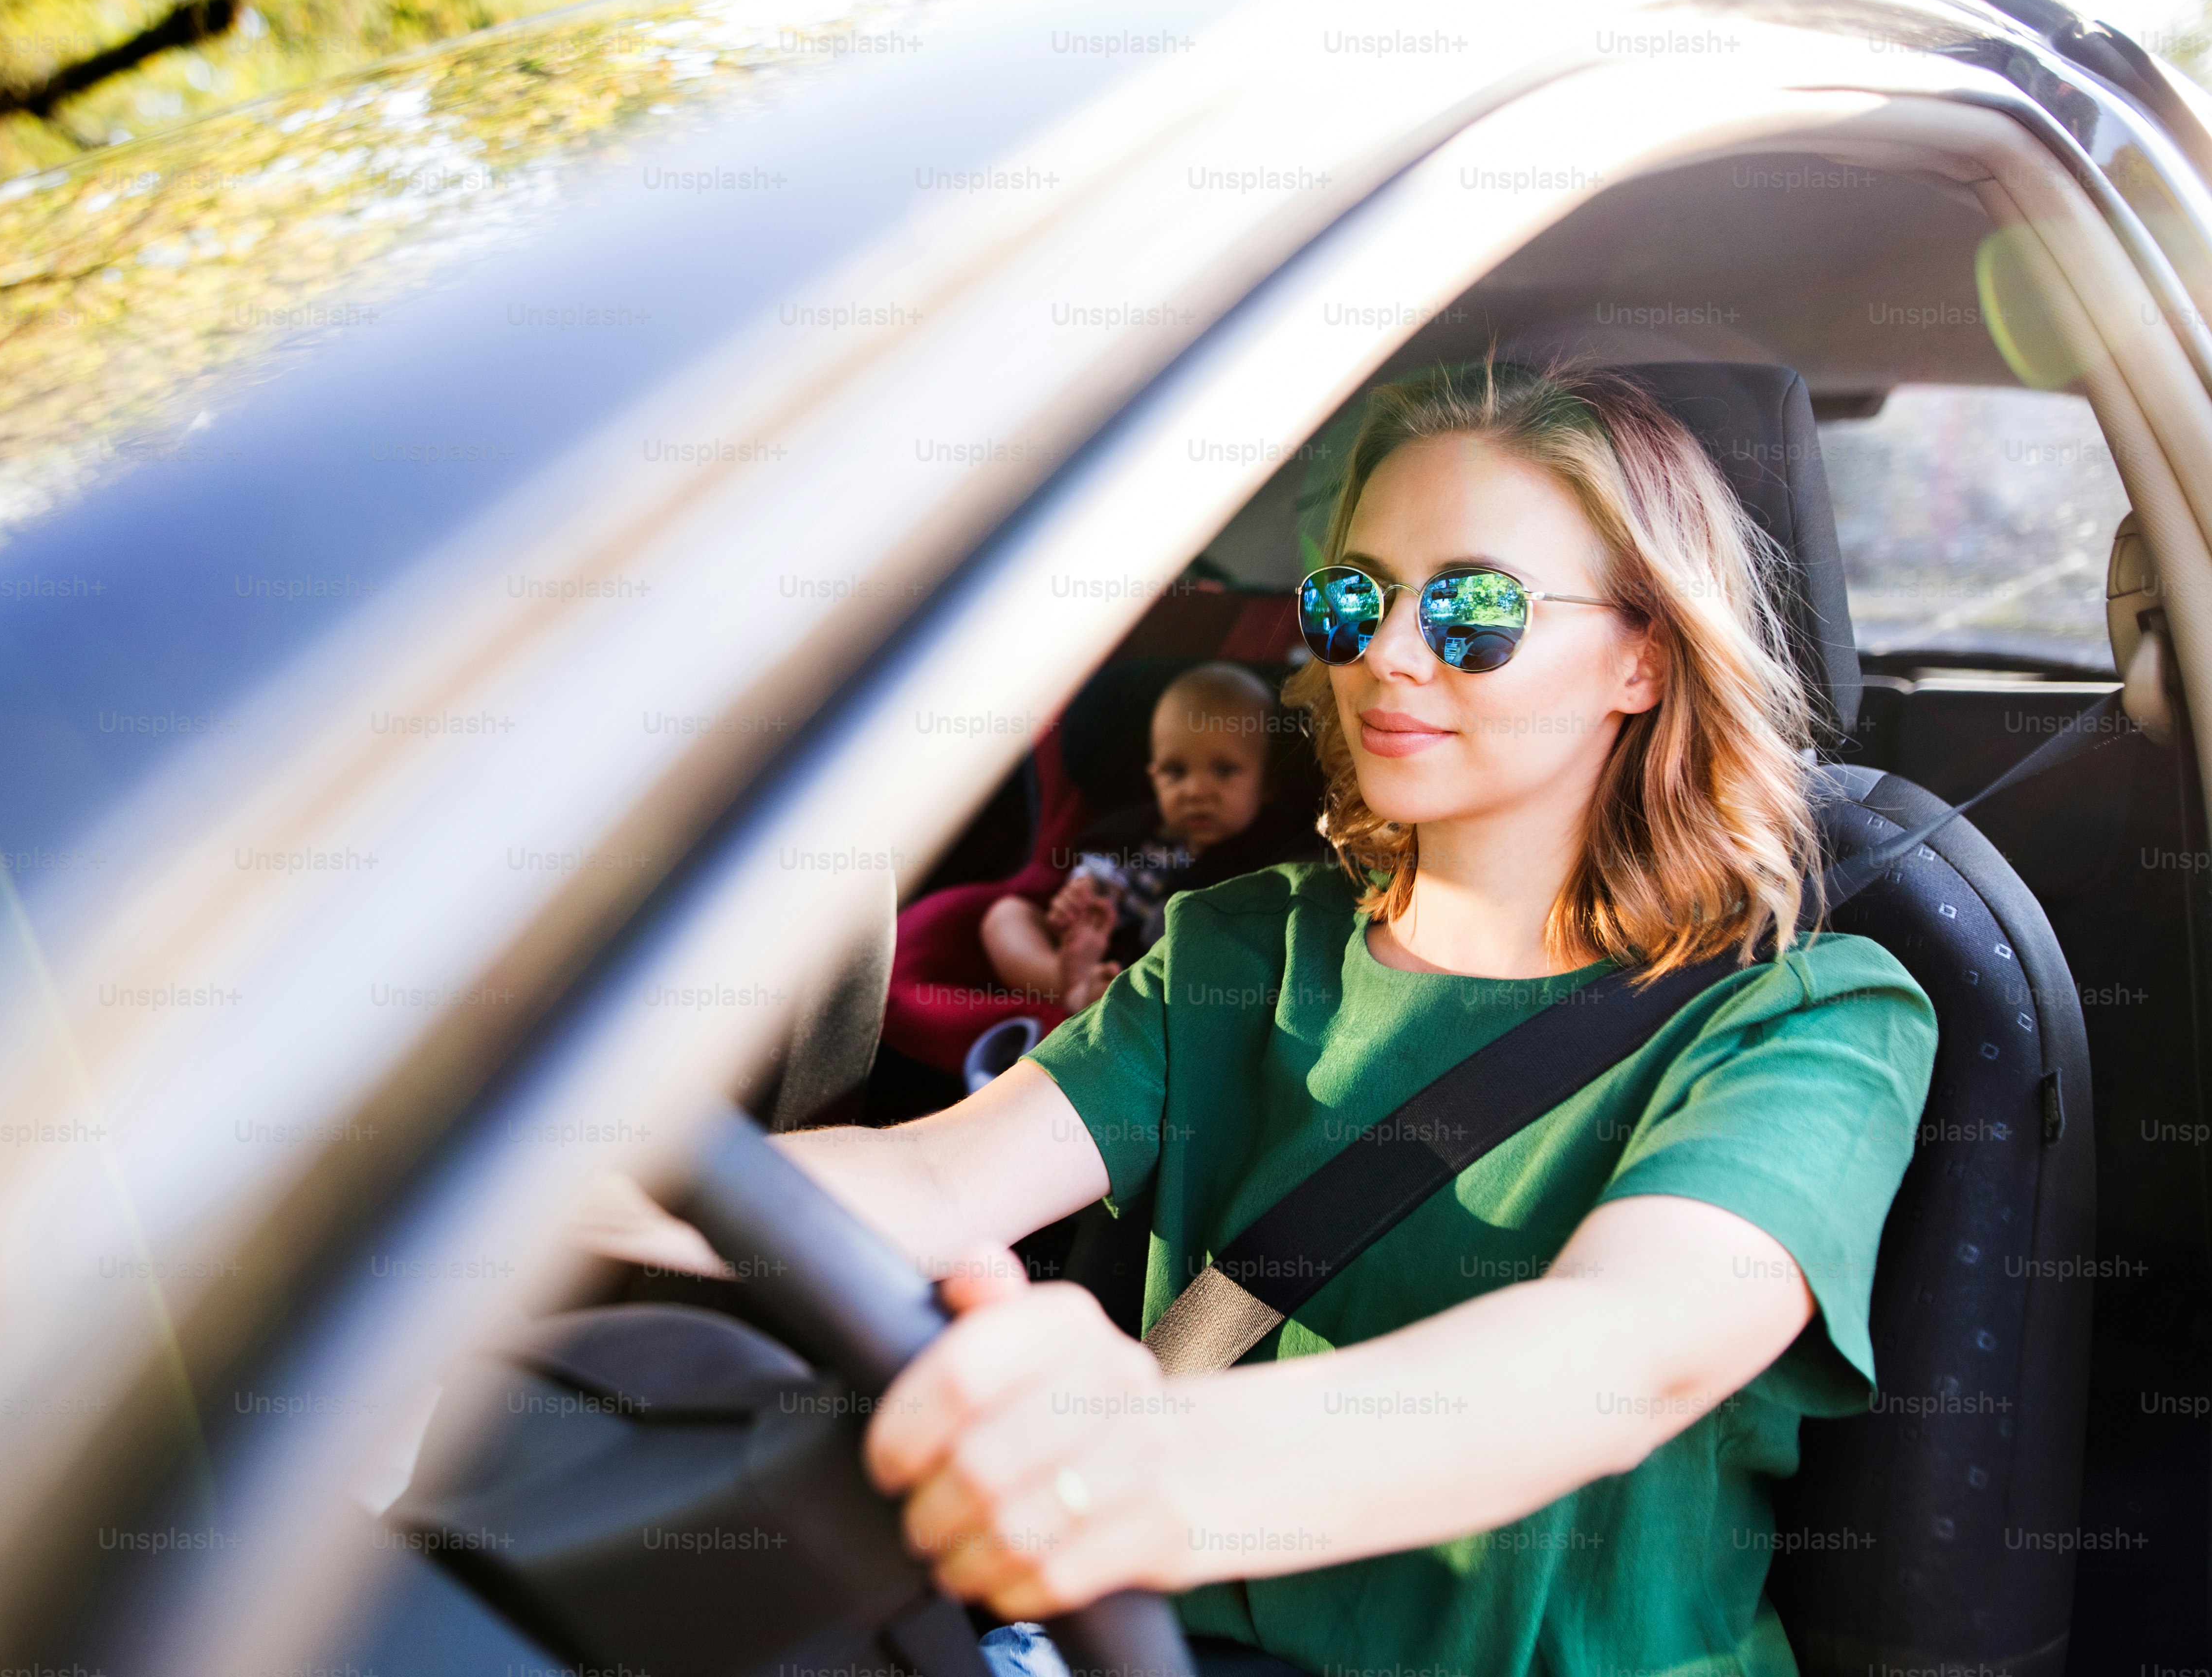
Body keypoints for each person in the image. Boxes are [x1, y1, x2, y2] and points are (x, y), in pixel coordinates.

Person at [579, 360, 1936, 1677]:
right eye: (1355, 602)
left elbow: (1613, 1357)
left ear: (1641, 658)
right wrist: (522, 1185)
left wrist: (1149, 1468)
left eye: (1474, 609)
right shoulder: (1244, 943)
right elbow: (936, 1175)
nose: (1390, 657)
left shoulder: (1814, 1020)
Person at [980, 663, 1290, 1013]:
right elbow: (1100, 877)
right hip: (1098, 953)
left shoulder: (1266, 861)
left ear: (1266, 785)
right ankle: (1066, 985)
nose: (1195, 790)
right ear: (1153, 775)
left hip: (1171, 985)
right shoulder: (1136, 832)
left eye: (1223, 771)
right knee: (1007, 914)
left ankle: (1119, 1006)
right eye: (1175, 772)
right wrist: (1079, 903)